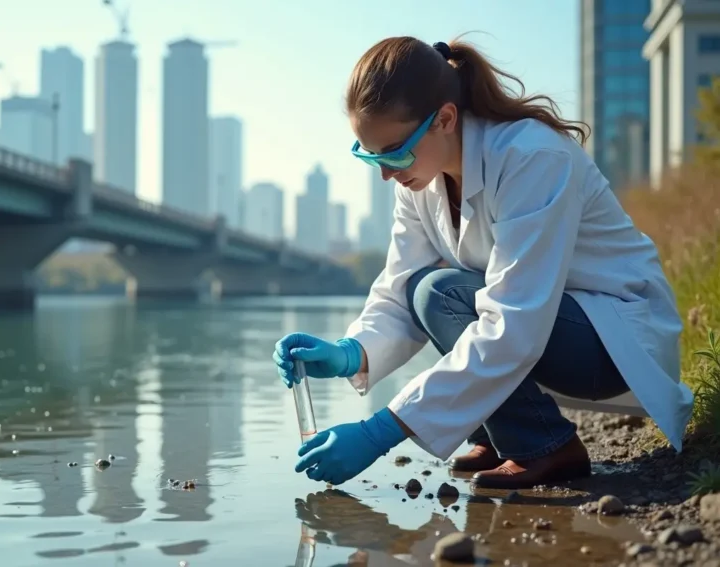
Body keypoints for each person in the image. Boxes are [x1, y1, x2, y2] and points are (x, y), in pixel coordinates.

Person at [272, 36, 694, 489]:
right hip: (551, 327)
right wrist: (349, 352)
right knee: (423, 288)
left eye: (393, 152)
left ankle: (545, 446)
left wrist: (380, 432)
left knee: (440, 292)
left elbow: (512, 323)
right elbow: (399, 287)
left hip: (612, 342)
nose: (386, 172)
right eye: (370, 155)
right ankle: (497, 433)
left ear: (446, 119)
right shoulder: (420, 178)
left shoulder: (532, 157)